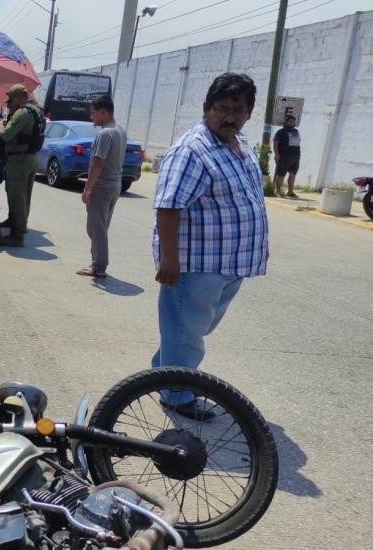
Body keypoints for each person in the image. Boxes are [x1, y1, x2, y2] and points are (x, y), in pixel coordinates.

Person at [152, 72, 269, 419]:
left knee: (189, 330)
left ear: (249, 112)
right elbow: (169, 206)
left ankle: (161, 374)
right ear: (206, 108)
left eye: (238, 109)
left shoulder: (240, 143)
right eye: (222, 108)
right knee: (185, 333)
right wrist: (169, 261)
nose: (229, 116)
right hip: (196, 264)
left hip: (230, 263)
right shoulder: (193, 150)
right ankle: (175, 394)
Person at [77, 95, 127, 278]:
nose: (91, 117)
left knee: (96, 228)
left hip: (102, 186)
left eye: (94, 113)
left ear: (104, 113)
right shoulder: (120, 130)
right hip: (115, 185)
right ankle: (97, 262)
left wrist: (87, 188)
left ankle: (98, 267)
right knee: (101, 227)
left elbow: (97, 162)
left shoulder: (105, 134)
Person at [0, 84, 42, 247]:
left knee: (17, 196)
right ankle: (16, 222)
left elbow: (7, 135)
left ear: (18, 98)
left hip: (19, 159)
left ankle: (17, 234)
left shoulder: (23, 112)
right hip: (30, 157)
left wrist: (0, 125)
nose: (10, 105)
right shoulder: (36, 110)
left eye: (11, 101)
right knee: (23, 195)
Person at [273, 115, 301, 198]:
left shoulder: (296, 131)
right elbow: (275, 143)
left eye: (293, 121)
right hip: (284, 156)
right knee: (281, 174)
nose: (292, 123)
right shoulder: (281, 132)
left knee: (292, 174)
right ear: (286, 122)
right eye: (290, 121)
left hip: (295, 157)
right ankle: (278, 191)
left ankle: (290, 191)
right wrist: (276, 154)